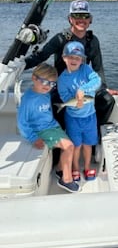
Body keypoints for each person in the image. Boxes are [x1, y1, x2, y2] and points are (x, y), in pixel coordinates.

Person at [24, 0, 118, 129]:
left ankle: (94, 130)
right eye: (77, 16)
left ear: (90, 19)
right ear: (70, 19)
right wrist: (20, 65)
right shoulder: (60, 38)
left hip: (84, 87)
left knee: (107, 100)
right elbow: (41, 56)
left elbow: (98, 68)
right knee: (52, 106)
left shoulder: (93, 41)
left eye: (85, 16)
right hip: (61, 88)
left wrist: (103, 88)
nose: (81, 20)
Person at [17, 63, 80, 193]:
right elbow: (21, 122)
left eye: (52, 84)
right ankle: (66, 179)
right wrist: (33, 138)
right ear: (34, 78)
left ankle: (59, 170)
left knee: (69, 145)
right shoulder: (28, 100)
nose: (47, 86)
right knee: (68, 146)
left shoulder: (44, 92)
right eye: (44, 82)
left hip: (52, 127)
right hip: (42, 131)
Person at [57, 41, 101, 182]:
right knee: (76, 146)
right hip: (73, 118)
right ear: (64, 58)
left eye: (78, 57)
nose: (74, 60)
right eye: (71, 57)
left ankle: (87, 166)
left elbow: (97, 80)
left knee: (88, 145)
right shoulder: (62, 80)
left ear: (82, 59)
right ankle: (75, 168)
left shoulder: (86, 70)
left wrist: (83, 90)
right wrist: (77, 104)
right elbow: (65, 97)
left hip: (90, 117)